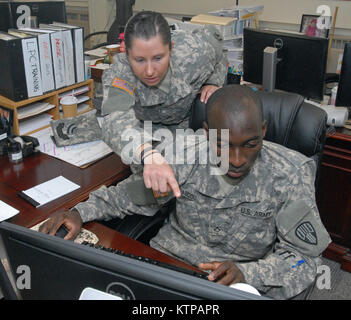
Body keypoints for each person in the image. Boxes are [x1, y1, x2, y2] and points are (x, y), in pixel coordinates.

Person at [39, 85, 331, 299]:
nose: (238, 159)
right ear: (206, 132)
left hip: (238, 285)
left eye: (251, 145)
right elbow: (130, 196)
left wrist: (251, 274)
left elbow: (305, 260)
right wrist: (80, 211)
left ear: (264, 130)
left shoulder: (291, 172)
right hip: (168, 270)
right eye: (223, 145)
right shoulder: (182, 155)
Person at [100, 10, 227, 198]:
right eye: (140, 60)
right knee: (146, 193)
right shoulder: (120, 72)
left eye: (158, 58)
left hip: (183, 131)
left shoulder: (193, 52)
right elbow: (116, 120)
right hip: (141, 132)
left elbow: (219, 49)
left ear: (171, 48)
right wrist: (148, 154)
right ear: (126, 53)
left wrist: (214, 81)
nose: (150, 71)